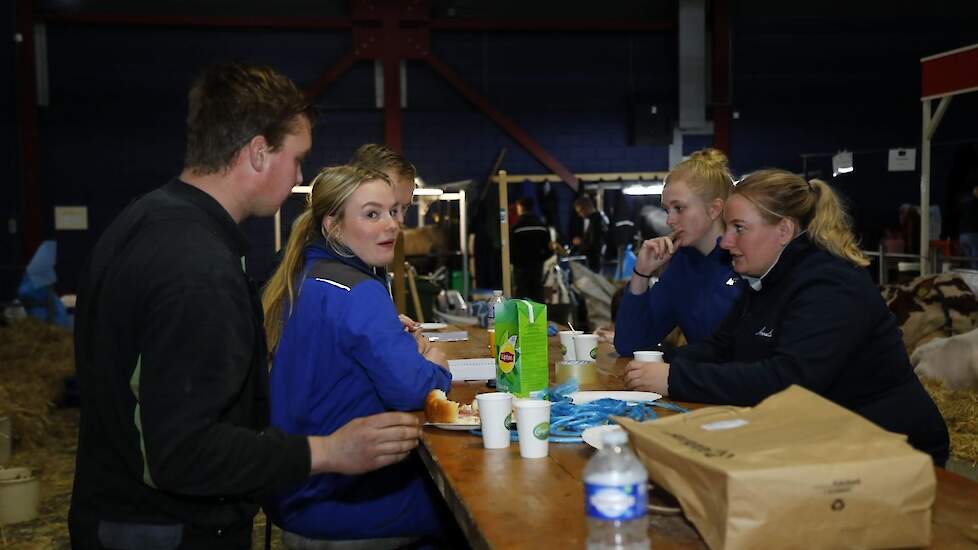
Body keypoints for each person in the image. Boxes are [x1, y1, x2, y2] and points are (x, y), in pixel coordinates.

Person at [69, 64, 423, 549]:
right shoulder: (198, 269)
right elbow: (185, 452)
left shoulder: (143, 220)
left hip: (116, 511)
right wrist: (327, 451)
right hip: (170, 530)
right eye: (297, 158)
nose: (299, 175)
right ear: (259, 152)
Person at [623, 169, 950, 466]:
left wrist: (673, 378)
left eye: (739, 228)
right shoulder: (767, 279)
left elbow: (789, 382)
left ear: (784, 230)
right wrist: (655, 362)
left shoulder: (831, 286)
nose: (726, 241)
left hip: (895, 449)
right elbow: (720, 348)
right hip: (831, 438)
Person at [261, 165, 453, 540]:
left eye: (393, 212)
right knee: (463, 507)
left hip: (289, 485)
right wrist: (436, 367)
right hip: (334, 495)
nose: (391, 225)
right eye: (372, 214)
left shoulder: (302, 275)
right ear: (333, 225)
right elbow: (413, 391)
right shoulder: (360, 291)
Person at [614, 148, 744, 357]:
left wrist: (674, 365)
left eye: (679, 208)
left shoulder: (746, 262)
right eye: (667, 210)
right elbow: (630, 344)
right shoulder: (682, 263)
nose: (669, 221)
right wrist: (641, 273)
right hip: (698, 383)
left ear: (714, 209)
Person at [349, 143, 421, 328]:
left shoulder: (369, 261)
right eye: (391, 208)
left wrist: (389, 325)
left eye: (403, 208)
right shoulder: (334, 275)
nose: (399, 220)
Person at [510, 196, 552, 302]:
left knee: (521, 295)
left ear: (520, 208)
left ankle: (522, 318)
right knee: (537, 293)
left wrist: (515, 261)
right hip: (537, 266)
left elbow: (510, 249)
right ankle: (539, 318)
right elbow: (549, 248)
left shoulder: (516, 228)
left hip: (520, 267)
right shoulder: (542, 226)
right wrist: (541, 258)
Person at [572, 195, 608, 272]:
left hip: (592, 262)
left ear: (586, 208)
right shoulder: (595, 219)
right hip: (594, 260)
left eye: (580, 211)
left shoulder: (596, 221)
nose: (579, 215)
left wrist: (581, 243)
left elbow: (595, 243)